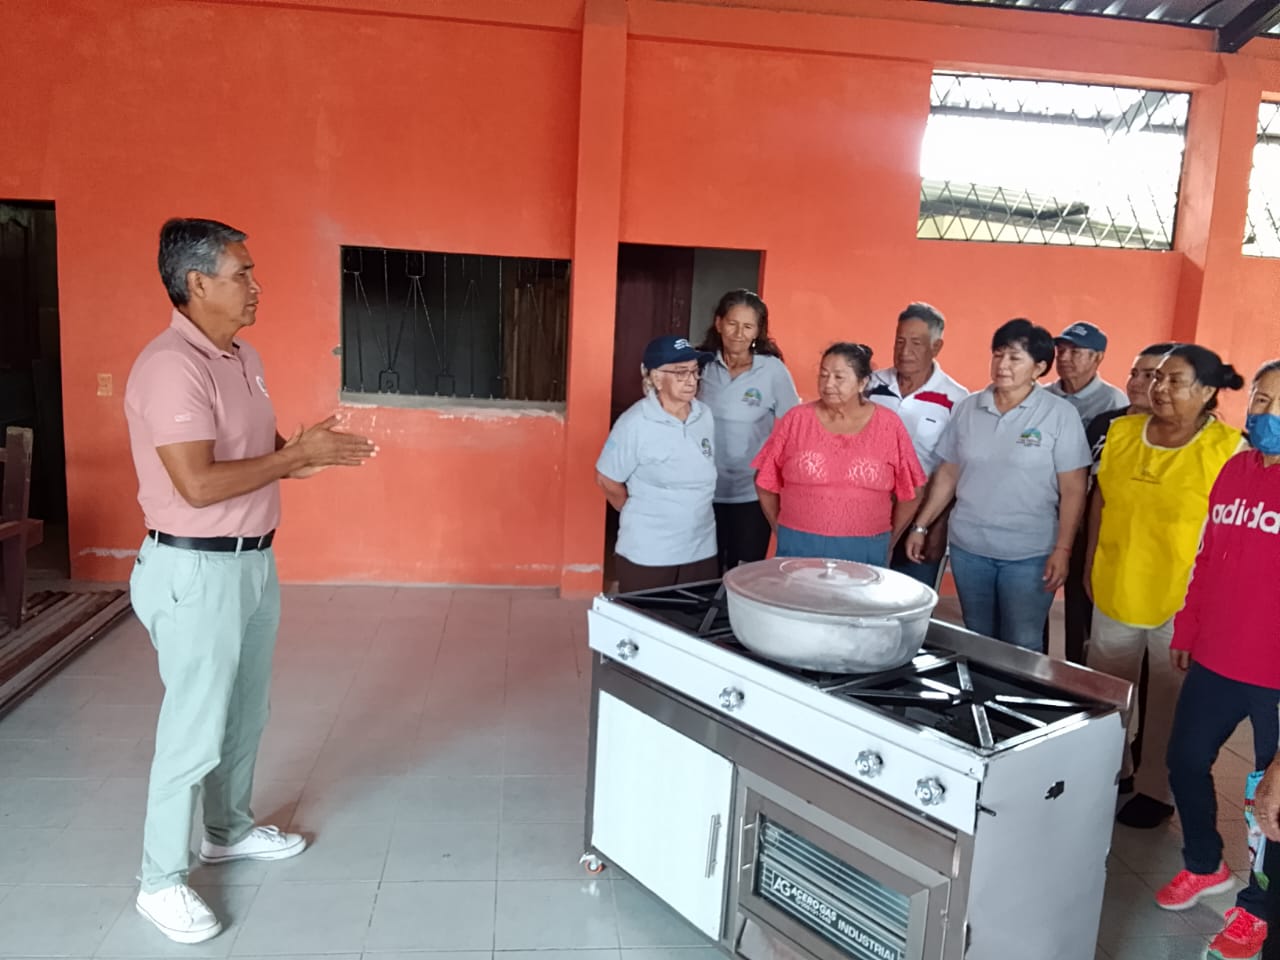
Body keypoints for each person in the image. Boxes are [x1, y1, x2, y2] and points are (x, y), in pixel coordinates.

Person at [125, 219, 377, 943]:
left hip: (251, 562)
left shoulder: (242, 357)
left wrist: (302, 453)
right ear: (197, 283)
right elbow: (199, 483)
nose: (256, 286)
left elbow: (257, 451)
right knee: (193, 728)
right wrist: (290, 459)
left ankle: (227, 831)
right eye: (242, 274)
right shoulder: (171, 366)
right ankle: (159, 882)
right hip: (195, 567)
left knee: (243, 712)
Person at [1085, 344, 1245, 830]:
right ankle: (1110, 770)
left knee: (1170, 699)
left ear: (1208, 391)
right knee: (1108, 689)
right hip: (1118, 581)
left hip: (1184, 596)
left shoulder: (1228, 448)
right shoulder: (1122, 432)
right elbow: (1101, 502)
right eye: (1157, 378)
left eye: (1175, 380)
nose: (1160, 388)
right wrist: (1091, 562)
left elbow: (1235, 531)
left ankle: (1157, 787)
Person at [1152, 361, 1280, 960]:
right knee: (1184, 760)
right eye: (1260, 399)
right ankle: (1205, 864)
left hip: (1273, 674)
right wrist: (1189, 626)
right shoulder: (1235, 469)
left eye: (1277, 402)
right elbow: (1207, 557)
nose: (1264, 412)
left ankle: (1258, 907)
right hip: (1218, 656)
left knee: (1269, 801)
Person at [904, 319, 1090, 653]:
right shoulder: (969, 407)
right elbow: (949, 473)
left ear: (1039, 367)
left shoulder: (1059, 414)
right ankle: (981, 688)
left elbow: (1074, 489)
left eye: (1015, 358)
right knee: (977, 635)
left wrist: (1063, 550)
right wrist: (921, 525)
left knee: (1022, 640)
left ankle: (1016, 689)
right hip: (969, 548)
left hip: (1030, 553)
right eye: (998, 355)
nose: (1003, 365)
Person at [1059, 343, 1179, 665]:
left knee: (1146, 658)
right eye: (1134, 373)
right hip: (1091, 542)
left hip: (1146, 561)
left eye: (1151, 376)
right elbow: (1085, 485)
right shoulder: (1105, 424)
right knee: (1082, 640)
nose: (1137, 383)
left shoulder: (1180, 442)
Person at [752, 342, 924, 565]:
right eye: (823, 375)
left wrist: (890, 540)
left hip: (866, 546)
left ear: (862, 382)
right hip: (798, 543)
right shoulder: (797, 419)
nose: (828, 384)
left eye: (839, 377)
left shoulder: (888, 425)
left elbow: (912, 490)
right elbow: (764, 480)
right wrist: (781, 529)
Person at [597, 335, 718, 592]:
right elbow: (607, 479)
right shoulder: (635, 423)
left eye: (695, 371)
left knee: (696, 615)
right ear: (656, 378)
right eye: (680, 372)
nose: (691, 380)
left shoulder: (704, 415)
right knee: (646, 615)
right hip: (650, 553)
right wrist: (641, 514)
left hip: (701, 549)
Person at [867, 302, 969, 587]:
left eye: (916, 343)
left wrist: (934, 526)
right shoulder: (871, 384)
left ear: (936, 347)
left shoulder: (956, 399)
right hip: (869, 513)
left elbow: (952, 470)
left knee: (908, 597)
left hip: (920, 517)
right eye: (899, 341)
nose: (904, 351)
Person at [696, 290, 799, 572]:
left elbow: (793, 427)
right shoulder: (700, 366)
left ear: (758, 331)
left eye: (748, 326)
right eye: (732, 323)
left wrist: (775, 473)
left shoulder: (772, 371)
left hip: (751, 493)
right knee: (705, 572)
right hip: (703, 490)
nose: (739, 334)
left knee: (745, 573)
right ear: (719, 323)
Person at [1047, 322, 1129, 425]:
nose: (1063, 358)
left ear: (1097, 357)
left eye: (1075, 352)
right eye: (1060, 350)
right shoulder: (1043, 395)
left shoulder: (1112, 400)